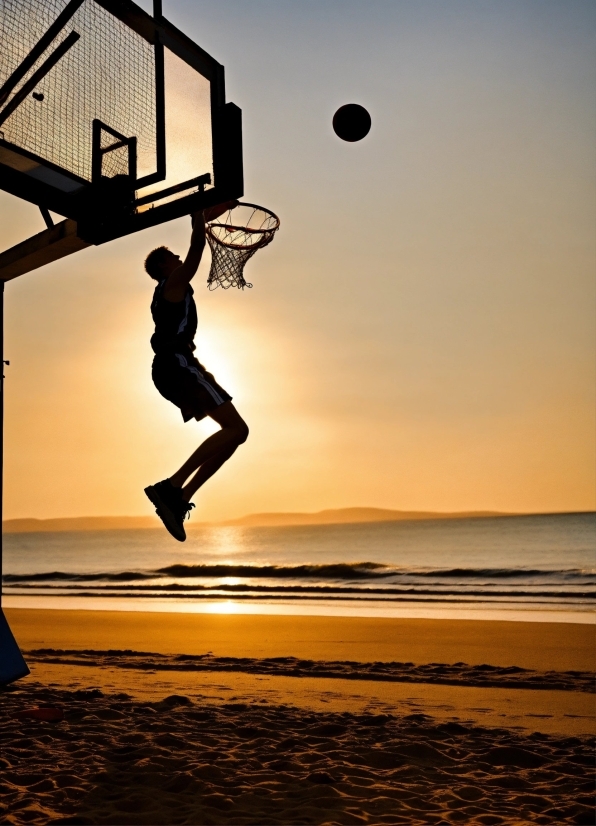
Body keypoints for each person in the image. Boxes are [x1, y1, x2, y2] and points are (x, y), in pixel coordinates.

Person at [143, 202, 248, 541]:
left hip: (174, 367)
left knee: (236, 433)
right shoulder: (171, 284)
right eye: (171, 256)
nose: (177, 258)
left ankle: (179, 498)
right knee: (237, 429)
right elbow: (197, 247)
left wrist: (208, 213)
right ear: (163, 266)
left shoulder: (167, 293)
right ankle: (171, 486)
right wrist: (196, 218)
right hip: (177, 364)